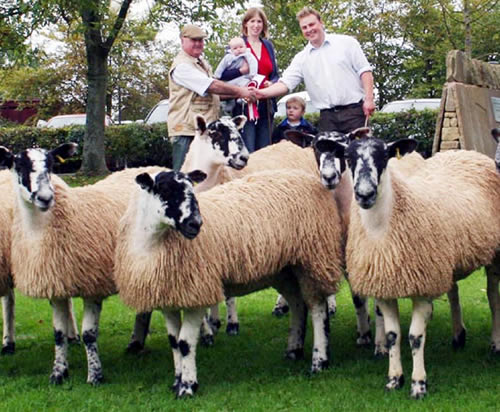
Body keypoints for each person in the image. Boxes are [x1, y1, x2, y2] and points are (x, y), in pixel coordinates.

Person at [255, 7, 375, 134]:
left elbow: (365, 71)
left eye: (311, 24)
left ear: (321, 23)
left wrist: (369, 99)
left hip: (354, 113)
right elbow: (285, 84)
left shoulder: (347, 43)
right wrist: (261, 93)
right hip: (327, 118)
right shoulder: (301, 58)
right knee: (326, 154)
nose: (309, 30)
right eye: (304, 27)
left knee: (359, 152)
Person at [168, 24, 254, 171]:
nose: (198, 43)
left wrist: (245, 91)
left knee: (206, 178)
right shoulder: (182, 66)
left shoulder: (202, 64)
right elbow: (212, 86)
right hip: (186, 131)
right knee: (184, 178)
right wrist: (241, 91)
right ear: (183, 40)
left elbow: (215, 94)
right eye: (193, 40)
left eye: (200, 40)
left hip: (203, 132)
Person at [220, 7, 279, 153]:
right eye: (252, 21)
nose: (256, 25)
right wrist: (241, 71)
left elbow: (275, 75)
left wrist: (271, 83)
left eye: (259, 22)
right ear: (246, 23)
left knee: (265, 151)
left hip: (266, 104)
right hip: (244, 105)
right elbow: (222, 75)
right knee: (248, 149)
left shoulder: (268, 46)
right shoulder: (237, 45)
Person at [214, 37, 258, 115]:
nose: (239, 49)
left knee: (245, 85)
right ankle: (228, 106)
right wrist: (217, 75)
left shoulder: (248, 55)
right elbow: (221, 66)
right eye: (235, 48)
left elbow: (253, 64)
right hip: (230, 81)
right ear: (231, 50)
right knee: (227, 89)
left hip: (243, 78)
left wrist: (252, 74)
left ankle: (242, 98)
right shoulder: (228, 57)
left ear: (245, 46)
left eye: (241, 47)